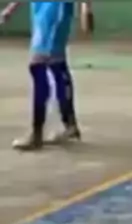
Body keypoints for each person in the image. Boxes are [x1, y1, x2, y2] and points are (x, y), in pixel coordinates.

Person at [0, 0, 94, 151]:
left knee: (38, 66)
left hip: (55, 9)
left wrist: (86, 8)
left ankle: (36, 132)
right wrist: (12, 7)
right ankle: (69, 125)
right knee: (56, 65)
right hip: (41, 9)